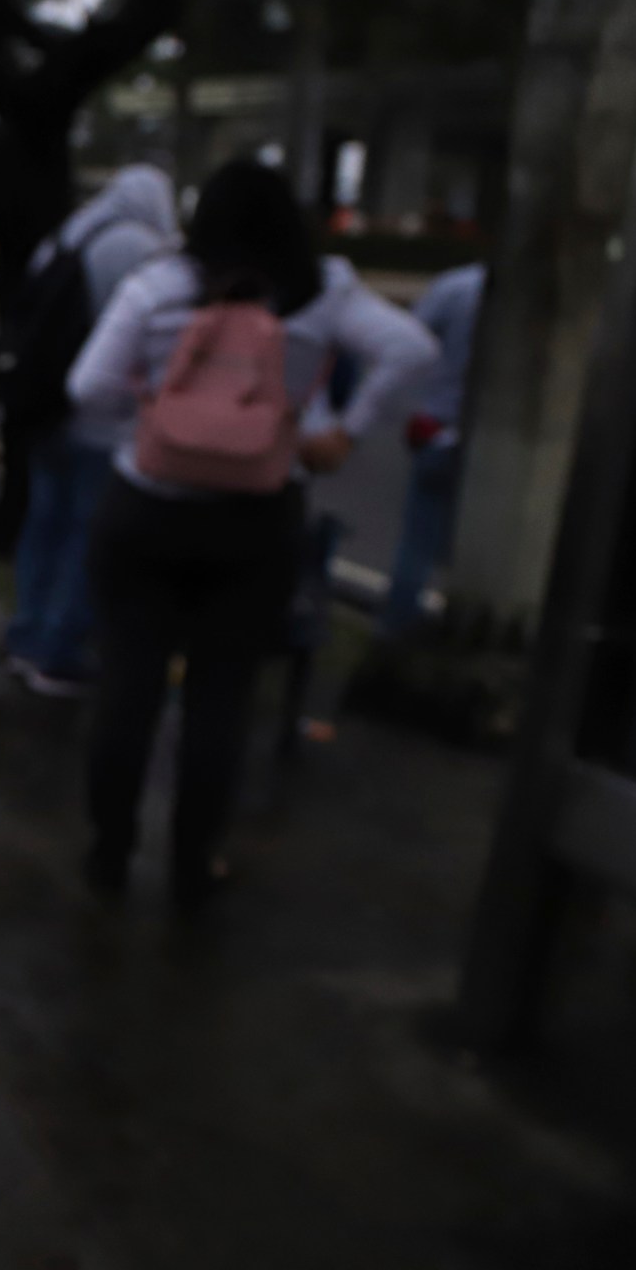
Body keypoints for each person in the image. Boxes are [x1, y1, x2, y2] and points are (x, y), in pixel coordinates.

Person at [67, 160, 437, 904]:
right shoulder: (321, 291)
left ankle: (109, 851)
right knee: (221, 699)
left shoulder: (161, 286)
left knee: (128, 687)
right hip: (256, 522)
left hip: (146, 510)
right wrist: (342, 432)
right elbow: (411, 350)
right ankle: (195, 862)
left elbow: (88, 386)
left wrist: (153, 417)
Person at [3, 165, 178, 696]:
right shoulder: (142, 249)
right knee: (87, 534)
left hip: (43, 408)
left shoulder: (69, 234)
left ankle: (26, 634)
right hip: (102, 420)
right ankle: (60, 651)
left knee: (43, 523)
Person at [381, 261, 486, 637]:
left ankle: (396, 634)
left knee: (417, 544)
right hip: (497, 446)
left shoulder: (458, 287)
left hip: (440, 428)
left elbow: (411, 343)